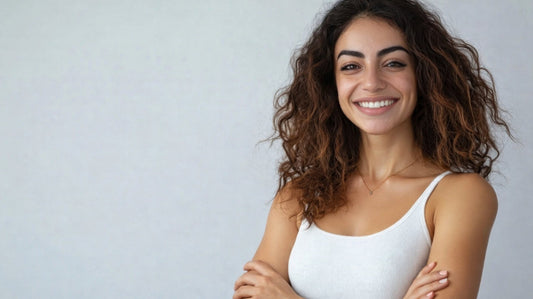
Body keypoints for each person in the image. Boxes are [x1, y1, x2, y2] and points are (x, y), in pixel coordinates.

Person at [233, 0, 511, 298]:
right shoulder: (298, 198)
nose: (371, 82)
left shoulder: (459, 195)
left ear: (425, 73)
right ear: (332, 82)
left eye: (393, 63)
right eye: (351, 66)